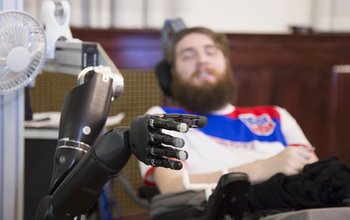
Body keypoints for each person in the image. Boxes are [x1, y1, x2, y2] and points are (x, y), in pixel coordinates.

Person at [139, 27, 319, 195]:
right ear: (173, 73)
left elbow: (317, 175)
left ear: (226, 62)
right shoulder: (160, 118)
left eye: (210, 52)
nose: (202, 60)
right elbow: (172, 186)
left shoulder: (276, 116)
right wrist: (258, 170)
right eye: (188, 56)